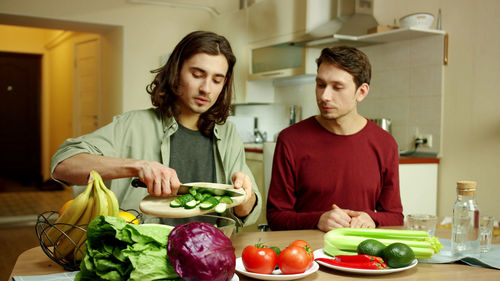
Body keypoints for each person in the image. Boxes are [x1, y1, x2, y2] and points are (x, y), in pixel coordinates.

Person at [51, 31, 261, 226]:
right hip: (145, 257)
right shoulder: (133, 124)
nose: (206, 88)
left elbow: (246, 213)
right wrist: (138, 166)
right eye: (197, 74)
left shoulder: (229, 133)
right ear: (176, 72)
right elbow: (63, 164)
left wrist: (245, 196)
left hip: (208, 256)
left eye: (217, 80)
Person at [266, 45, 403, 231]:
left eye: (337, 87)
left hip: (361, 254)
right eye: (321, 85)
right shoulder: (290, 140)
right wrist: (318, 220)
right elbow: (276, 217)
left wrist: (372, 219)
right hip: (306, 254)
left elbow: (395, 217)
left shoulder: (385, 144)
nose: (324, 96)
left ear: (361, 92)